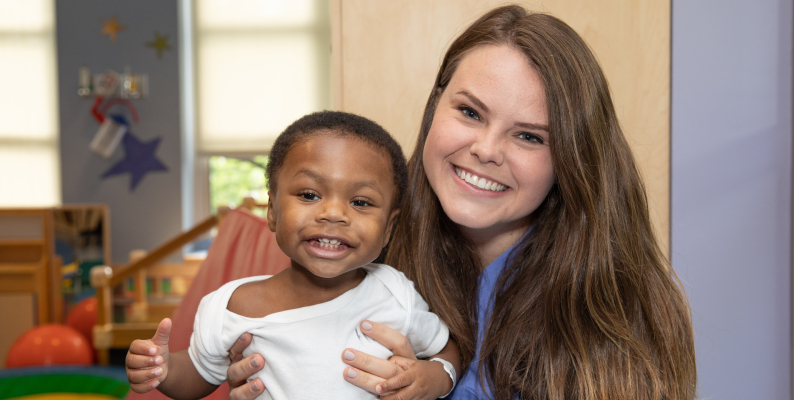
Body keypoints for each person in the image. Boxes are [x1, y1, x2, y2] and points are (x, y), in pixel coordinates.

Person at [225, 5, 697, 400]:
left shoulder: (616, 306)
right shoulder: (354, 254)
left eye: (529, 136)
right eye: (470, 112)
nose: (487, 150)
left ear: (569, 160)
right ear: (435, 107)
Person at [125, 111, 461, 399]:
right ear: (272, 210)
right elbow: (198, 373)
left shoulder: (395, 294)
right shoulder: (233, 306)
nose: (333, 213)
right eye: (310, 194)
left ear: (388, 228)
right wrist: (164, 369)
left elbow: (446, 349)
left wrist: (435, 377)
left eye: (360, 202)